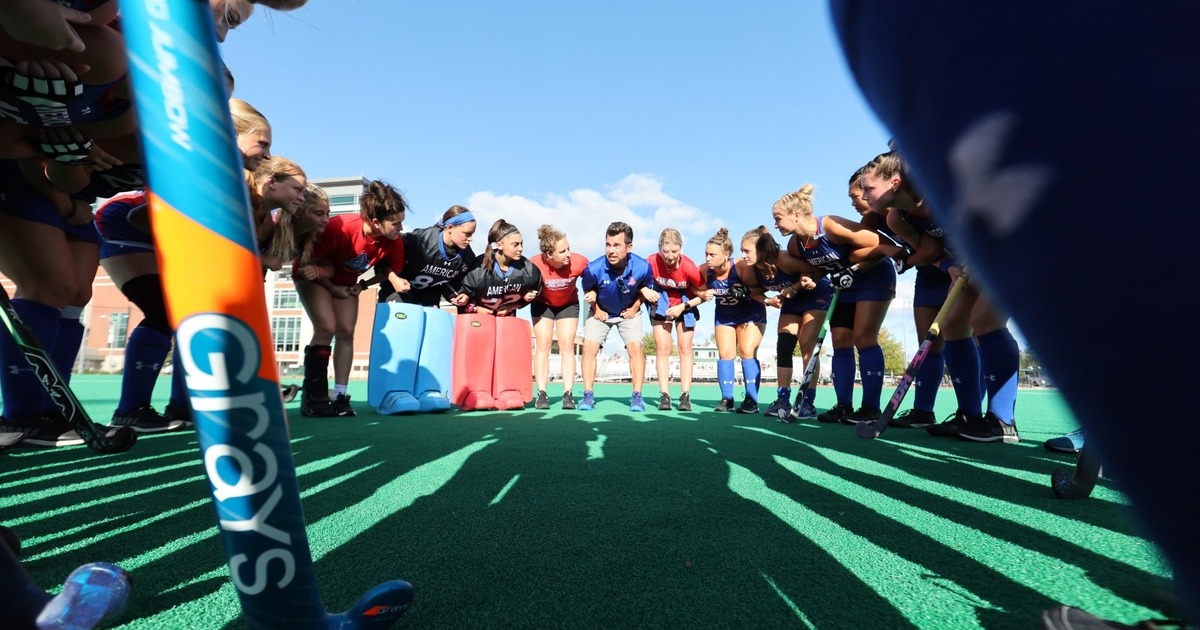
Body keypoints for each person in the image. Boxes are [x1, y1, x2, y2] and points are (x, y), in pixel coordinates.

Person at [829, 3, 1200, 622]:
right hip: (959, 253)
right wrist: (948, 250)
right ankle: (977, 415)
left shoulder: (930, 163)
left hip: (983, 237)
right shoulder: (901, 207)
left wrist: (973, 246)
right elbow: (923, 245)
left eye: (866, 189)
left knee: (985, 324)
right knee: (962, 325)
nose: (863, 200)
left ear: (890, 173)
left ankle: (997, 420)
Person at [774, 184, 896, 425]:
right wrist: (812, 277)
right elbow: (817, 267)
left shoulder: (828, 225)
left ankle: (871, 408)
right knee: (840, 340)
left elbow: (881, 243)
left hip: (873, 276)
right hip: (844, 285)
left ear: (796, 215)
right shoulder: (794, 245)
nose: (776, 224)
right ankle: (844, 406)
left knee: (863, 337)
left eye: (778, 219)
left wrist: (853, 266)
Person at [296, 179, 407, 418]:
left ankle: (340, 396)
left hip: (344, 284)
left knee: (346, 331)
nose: (401, 228)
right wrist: (331, 287)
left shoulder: (393, 242)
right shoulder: (340, 227)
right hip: (312, 274)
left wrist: (363, 285)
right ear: (376, 222)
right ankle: (313, 397)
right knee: (326, 326)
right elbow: (308, 263)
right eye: (396, 223)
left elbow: (388, 271)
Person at [855, 159, 952, 429]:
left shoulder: (934, 196)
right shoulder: (890, 217)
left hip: (972, 264)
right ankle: (923, 411)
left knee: (968, 332)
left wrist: (907, 261)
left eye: (865, 190)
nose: (861, 198)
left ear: (894, 182)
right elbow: (929, 249)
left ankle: (981, 415)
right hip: (936, 270)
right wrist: (945, 265)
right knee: (930, 341)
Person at [741, 226, 831, 420]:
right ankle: (782, 399)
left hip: (817, 293)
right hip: (792, 301)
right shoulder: (751, 272)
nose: (743, 255)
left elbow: (817, 270)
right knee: (784, 346)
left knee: (807, 343)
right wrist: (769, 301)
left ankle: (807, 402)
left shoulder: (783, 260)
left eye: (747, 251)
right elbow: (754, 293)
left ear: (761, 251)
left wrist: (795, 286)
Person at [577, 221, 657, 412]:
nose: (611, 250)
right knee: (588, 347)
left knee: (636, 348)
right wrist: (596, 308)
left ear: (629, 247)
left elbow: (644, 290)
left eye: (616, 245)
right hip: (601, 311)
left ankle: (637, 397)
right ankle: (588, 395)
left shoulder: (643, 267)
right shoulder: (593, 268)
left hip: (629, 312)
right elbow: (589, 290)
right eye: (608, 245)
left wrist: (635, 307)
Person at [698, 227, 766, 413]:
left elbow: (760, 289)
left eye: (712, 254)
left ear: (726, 254)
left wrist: (746, 292)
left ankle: (751, 400)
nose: (707, 258)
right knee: (725, 354)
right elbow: (696, 291)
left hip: (751, 312)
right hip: (725, 315)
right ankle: (727, 398)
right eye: (706, 254)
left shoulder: (741, 267)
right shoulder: (704, 271)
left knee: (746, 352)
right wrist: (702, 294)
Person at [528, 224, 588, 410]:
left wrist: (592, 293)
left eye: (568, 248)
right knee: (543, 345)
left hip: (568, 305)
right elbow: (522, 284)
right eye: (562, 251)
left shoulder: (579, 262)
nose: (568, 253)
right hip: (543, 304)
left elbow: (593, 282)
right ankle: (542, 393)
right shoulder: (534, 263)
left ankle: (568, 394)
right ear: (549, 255)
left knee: (567, 346)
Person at [645, 228, 705, 412]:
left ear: (681, 249)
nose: (670, 256)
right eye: (666, 251)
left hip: (685, 302)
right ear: (659, 248)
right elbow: (640, 283)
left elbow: (702, 295)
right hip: (662, 301)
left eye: (674, 251)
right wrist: (644, 290)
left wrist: (683, 307)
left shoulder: (689, 267)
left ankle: (685, 395)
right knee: (662, 348)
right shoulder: (651, 261)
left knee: (685, 348)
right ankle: (665, 395)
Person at [377, 204, 478, 305]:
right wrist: (394, 279)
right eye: (467, 233)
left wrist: (464, 294)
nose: (470, 239)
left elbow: (458, 284)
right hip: (397, 292)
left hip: (428, 296)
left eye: (472, 234)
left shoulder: (467, 257)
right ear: (450, 227)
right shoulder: (420, 240)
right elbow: (383, 257)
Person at [459, 219, 542, 315]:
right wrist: (475, 309)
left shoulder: (529, 270)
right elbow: (460, 296)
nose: (520, 249)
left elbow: (536, 291)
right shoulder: (478, 268)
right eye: (515, 245)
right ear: (499, 245)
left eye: (521, 244)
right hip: (478, 320)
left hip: (506, 321)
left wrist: (513, 306)